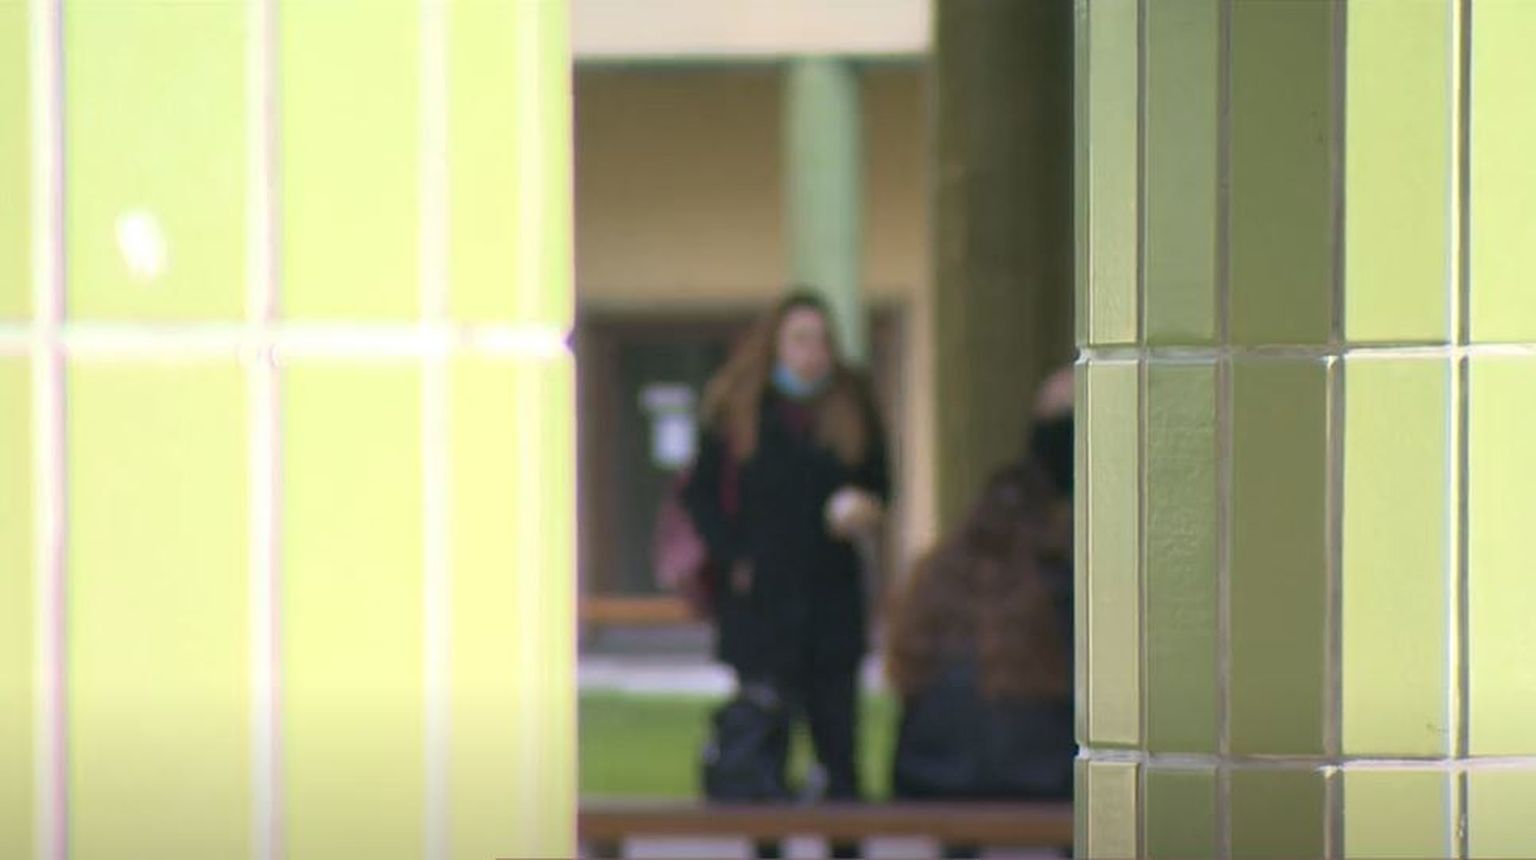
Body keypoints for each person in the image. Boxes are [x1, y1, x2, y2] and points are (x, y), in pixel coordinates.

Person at [683, 291, 890, 822]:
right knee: (763, 758)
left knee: (840, 754)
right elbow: (699, 494)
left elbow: (881, 486)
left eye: (821, 340)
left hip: (831, 602)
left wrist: (861, 509)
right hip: (761, 604)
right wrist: (735, 557)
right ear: (775, 344)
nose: (812, 352)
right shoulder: (739, 407)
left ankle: (846, 845)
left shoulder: (851, 403)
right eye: (799, 339)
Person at [884, 368, 1075, 857]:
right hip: (1041, 777)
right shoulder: (1057, 582)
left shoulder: (936, 578)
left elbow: (906, 679)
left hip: (934, 775)